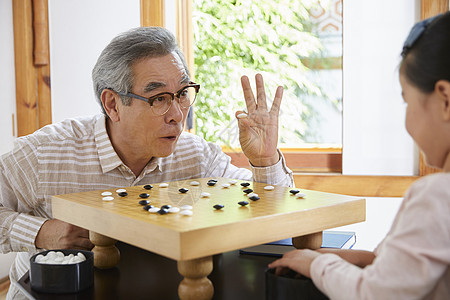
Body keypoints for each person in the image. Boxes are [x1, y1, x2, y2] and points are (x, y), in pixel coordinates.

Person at [0, 27, 293, 299]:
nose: (177, 114)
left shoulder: (196, 156)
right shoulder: (46, 153)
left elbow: (276, 215)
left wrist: (265, 159)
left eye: (181, 94)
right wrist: (41, 233)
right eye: (159, 98)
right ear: (112, 104)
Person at [269, 12, 450, 300]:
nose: (405, 120)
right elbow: (402, 272)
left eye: (407, 100)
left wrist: (317, 263)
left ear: (445, 100)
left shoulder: (438, 194)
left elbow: (374, 294)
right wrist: (357, 259)